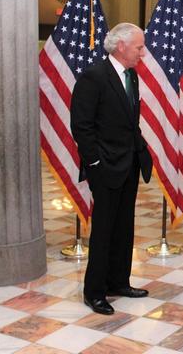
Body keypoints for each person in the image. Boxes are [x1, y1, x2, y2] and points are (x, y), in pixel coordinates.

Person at [71, 22, 153, 315]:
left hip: (128, 164)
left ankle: (119, 281)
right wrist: (94, 163)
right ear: (121, 46)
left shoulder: (131, 76)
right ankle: (94, 292)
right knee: (104, 229)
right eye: (139, 47)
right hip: (104, 167)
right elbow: (82, 126)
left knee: (124, 227)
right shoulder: (94, 77)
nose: (142, 52)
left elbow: (130, 121)